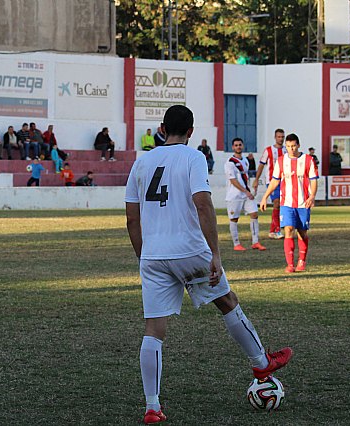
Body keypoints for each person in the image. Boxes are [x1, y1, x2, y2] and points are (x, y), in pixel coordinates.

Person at [124, 105, 292, 424]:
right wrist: (215, 253)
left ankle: (152, 406)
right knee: (227, 302)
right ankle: (260, 362)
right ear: (190, 132)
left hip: (154, 255)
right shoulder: (193, 157)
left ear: (162, 129)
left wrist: (143, 256)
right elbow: (203, 205)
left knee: (154, 330)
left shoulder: (141, 162)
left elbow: (132, 217)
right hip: (188, 249)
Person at [260, 133, 318, 273]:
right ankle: (290, 264)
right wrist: (265, 197)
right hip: (286, 202)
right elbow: (275, 180)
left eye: (293, 146)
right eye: (288, 146)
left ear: (298, 145)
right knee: (288, 229)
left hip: (303, 202)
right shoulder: (281, 161)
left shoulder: (308, 160)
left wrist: (312, 196)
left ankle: (301, 261)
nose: (291, 149)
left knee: (302, 233)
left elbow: (314, 180)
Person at [224, 138, 266, 252]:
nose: (238, 147)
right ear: (233, 147)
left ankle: (255, 241)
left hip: (246, 195)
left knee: (254, 214)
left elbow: (245, 178)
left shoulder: (246, 161)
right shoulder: (229, 163)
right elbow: (233, 180)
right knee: (234, 219)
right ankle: (236, 243)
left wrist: (251, 188)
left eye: (240, 145)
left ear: (243, 146)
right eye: (236, 145)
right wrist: (246, 191)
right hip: (234, 196)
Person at [253, 128, 287, 239]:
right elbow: (261, 165)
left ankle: (275, 229)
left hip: (285, 181)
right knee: (276, 203)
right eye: (279, 137)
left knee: (283, 205)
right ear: (275, 137)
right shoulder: (268, 150)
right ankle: (276, 230)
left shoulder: (287, 150)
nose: (281, 139)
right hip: (272, 181)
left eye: (282, 137)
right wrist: (256, 179)